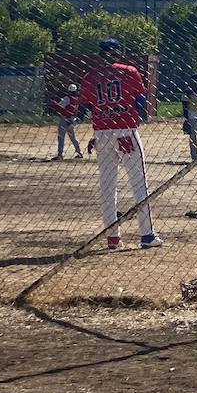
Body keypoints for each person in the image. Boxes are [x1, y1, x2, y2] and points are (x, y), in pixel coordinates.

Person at [81, 39, 164, 249]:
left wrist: (103, 112)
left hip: (101, 133)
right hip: (126, 131)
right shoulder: (129, 71)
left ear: (100, 54)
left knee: (107, 185)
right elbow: (141, 103)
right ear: (118, 53)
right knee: (139, 183)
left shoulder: (91, 76)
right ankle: (146, 235)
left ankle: (113, 237)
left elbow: (83, 109)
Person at [51, 83, 85, 160]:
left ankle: (60, 155)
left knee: (61, 137)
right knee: (73, 137)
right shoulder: (77, 99)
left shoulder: (67, 98)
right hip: (73, 120)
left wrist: (54, 103)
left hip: (65, 119)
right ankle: (79, 152)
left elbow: (60, 106)